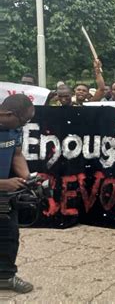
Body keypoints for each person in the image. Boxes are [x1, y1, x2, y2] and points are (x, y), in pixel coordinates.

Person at [0, 94, 35, 293]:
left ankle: (5, 278)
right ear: (9, 114)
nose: (26, 124)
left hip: (2, 197)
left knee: (8, 234)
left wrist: (28, 178)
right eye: (24, 120)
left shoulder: (15, 128)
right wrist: (4, 184)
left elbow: (17, 154)